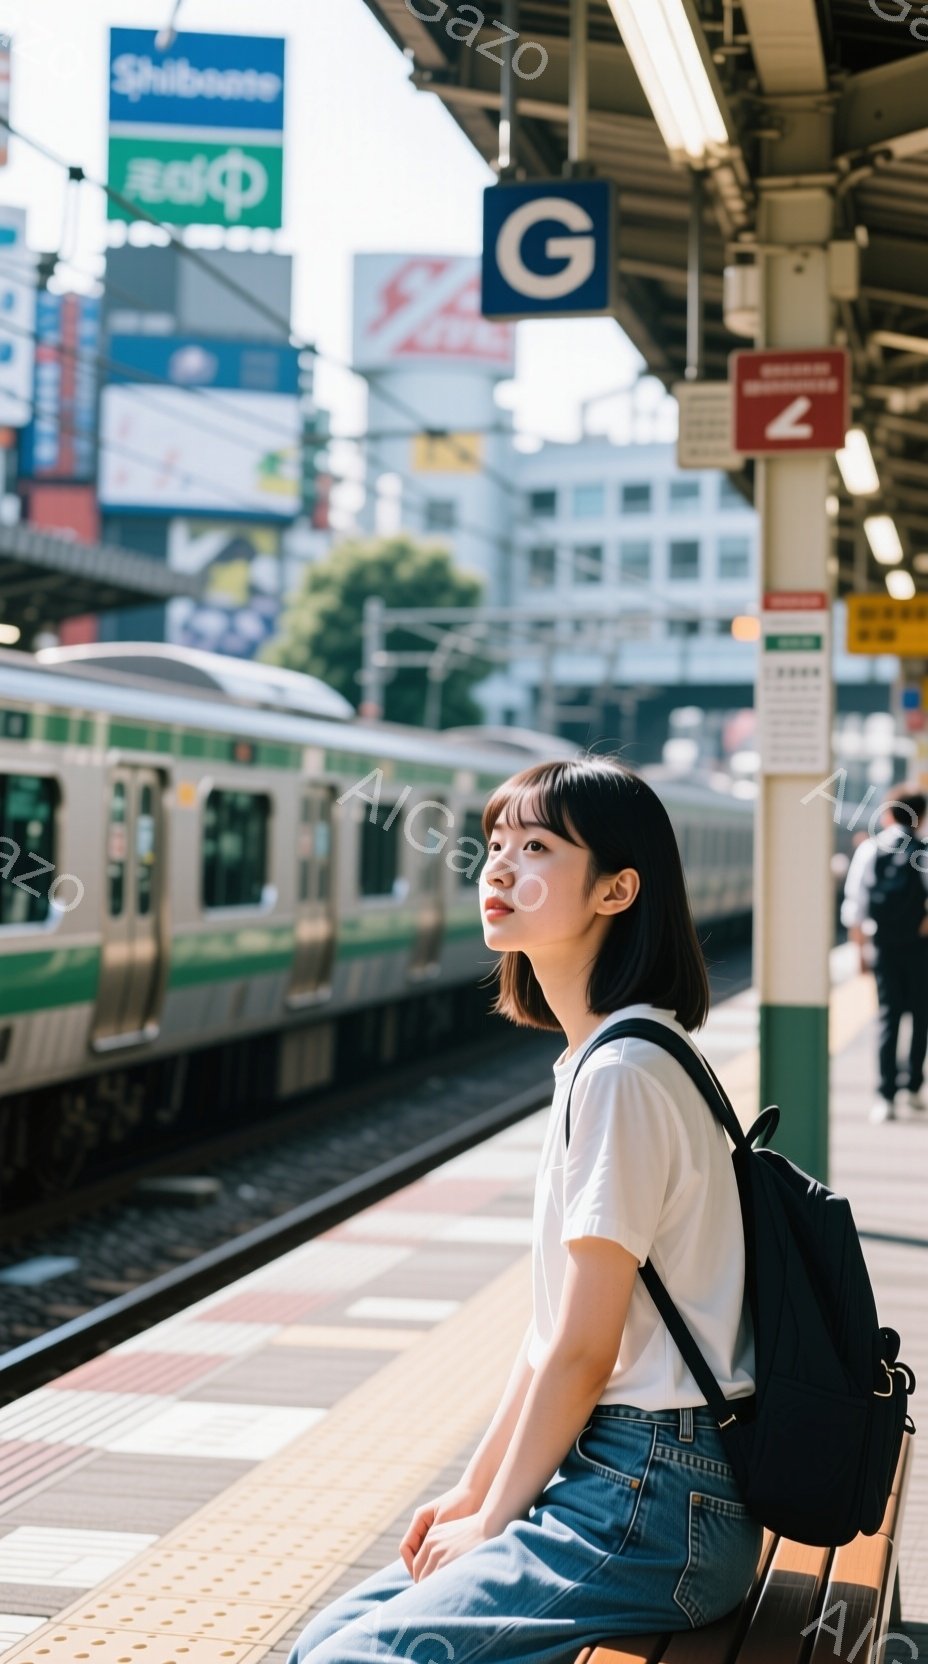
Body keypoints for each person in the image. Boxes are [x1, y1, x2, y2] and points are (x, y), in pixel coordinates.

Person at [288, 754, 760, 1664]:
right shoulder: (604, 1057)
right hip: (628, 1479)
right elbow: (551, 1338)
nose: (498, 869)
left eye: (537, 846)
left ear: (619, 890)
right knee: (324, 1638)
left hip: (655, 1503)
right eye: (495, 844)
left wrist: (496, 1513)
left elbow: (586, 1353)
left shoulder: (622, 1073)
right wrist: (472, 1493)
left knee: (354, 1659)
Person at [841, 787, 928, 1124]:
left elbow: (855, 906)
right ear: (920, 817)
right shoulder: (922, 851)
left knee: (887, 1017)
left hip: (884, 946)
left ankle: (885, 1095)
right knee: (920, 1017)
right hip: (920, 948)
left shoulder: (870, 850)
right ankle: (913, 1088)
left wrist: (860, 949)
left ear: (888, 815)